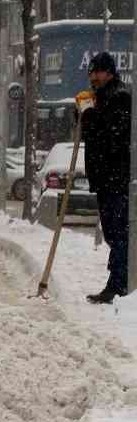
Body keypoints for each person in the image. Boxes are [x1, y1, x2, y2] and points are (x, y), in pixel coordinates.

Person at [81, 50, 131, 303]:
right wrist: (81, 112)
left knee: (118, 232)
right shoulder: (101, 98)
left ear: (109, 72)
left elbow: (111, 138)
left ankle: (119, 285)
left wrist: (88, 113)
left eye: (97, 72)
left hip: (116, 177)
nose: (93, 77)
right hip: (105, 178)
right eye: (91, 73)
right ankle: (119, 282)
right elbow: (89, 134)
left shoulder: (119, 97)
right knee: (114, 233)